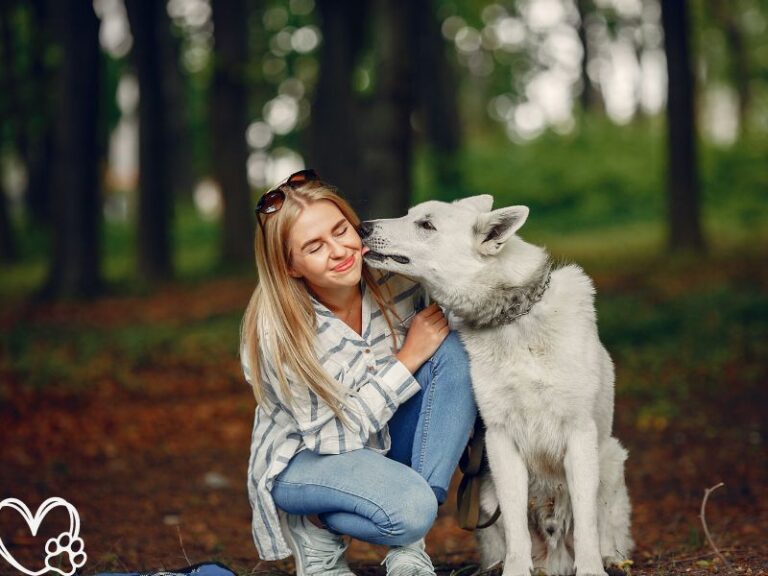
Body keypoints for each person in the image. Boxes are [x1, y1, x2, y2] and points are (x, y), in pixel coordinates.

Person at [239, 169, 477, 576]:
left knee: (453, 352)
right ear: (291, 266)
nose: (339, 250)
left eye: (340, 230)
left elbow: (462, 329)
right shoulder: (277, 331)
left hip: (380, 438)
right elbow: (333, 438)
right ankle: (314, 525)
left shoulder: (395, 280)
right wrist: (407, 359)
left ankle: (407, 545)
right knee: (412, 508)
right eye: (314, 246)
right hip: (306, 460)